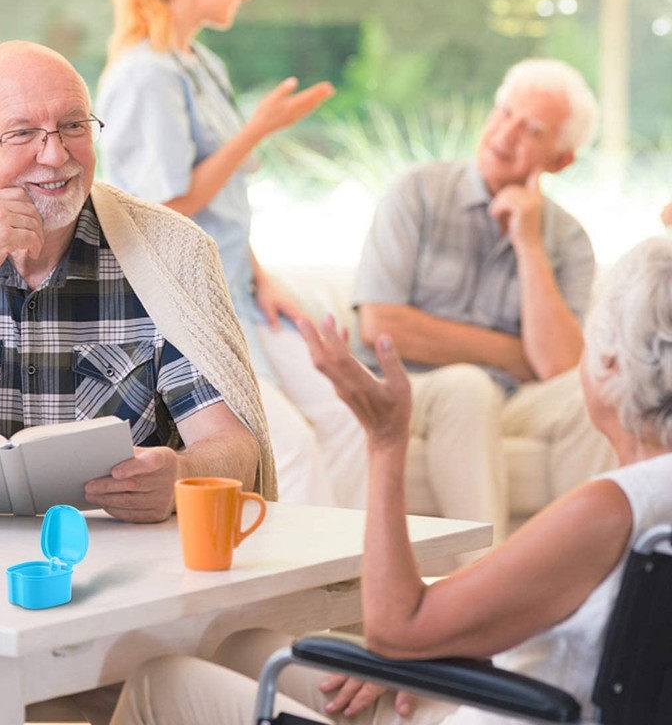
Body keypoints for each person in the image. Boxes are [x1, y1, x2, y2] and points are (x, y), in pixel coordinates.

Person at [108, 234, 672, 725]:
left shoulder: (609, 510)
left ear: (610, 366)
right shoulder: (648, 499)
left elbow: (394, 629)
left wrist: (385, 439)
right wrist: (426, 648)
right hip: (510, 694)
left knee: (162, 683)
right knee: (242, 648)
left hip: (490, 712)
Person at [0, 39, 276, 523]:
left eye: (73, 126)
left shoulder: (171, 253)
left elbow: (235, 447)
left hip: (125, 562)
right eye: (22, 133)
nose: (55, 154)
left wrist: (181, 476)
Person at [97, 0, 364, 506]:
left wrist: (262, 278)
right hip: (192, 304)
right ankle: (298, 584)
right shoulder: (147, 75)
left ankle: (353, 579)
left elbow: (222, 209)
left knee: (350, 414)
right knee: (287, 447)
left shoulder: (202, 64)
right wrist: (256, 130)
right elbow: (165, 210)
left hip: (238, 289)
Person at [349, 58, 615, 546]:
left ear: (560, 160)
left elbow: (558, 366)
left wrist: (529, 245)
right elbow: (381, 325)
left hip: (509, 399)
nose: (505, 134)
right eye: (504, 112)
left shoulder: (569, 239)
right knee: (468, 387)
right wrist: (513, 355)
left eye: (531, 129)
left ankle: (587, 582)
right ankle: (486, 589)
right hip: (412, 388)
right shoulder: (418, 192)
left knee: (594, 391)